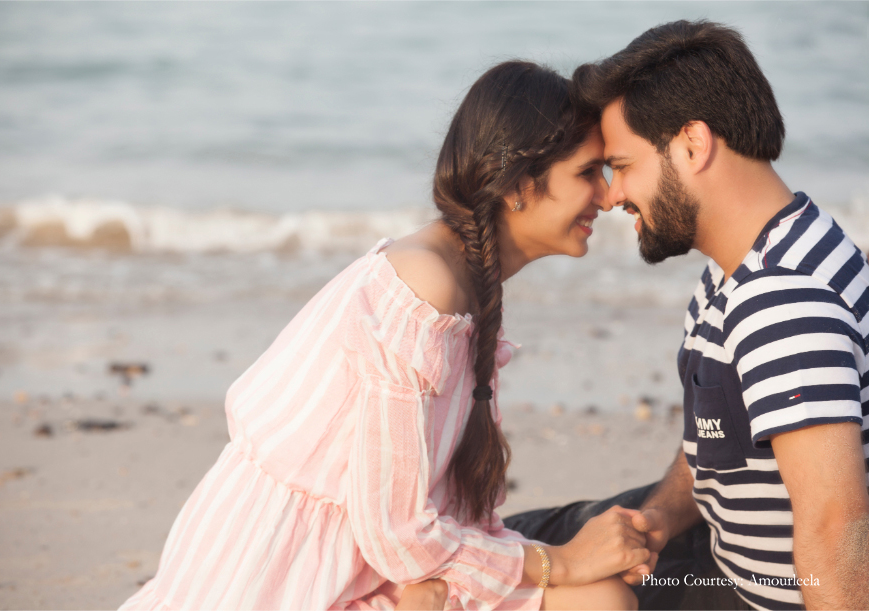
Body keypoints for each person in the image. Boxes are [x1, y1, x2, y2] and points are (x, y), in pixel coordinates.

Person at [118, 61, 653, 611]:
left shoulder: (461, 281)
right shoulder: (424, 288)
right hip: (281, 582)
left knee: (602, 596)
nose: (608, 197)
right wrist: (561, 561)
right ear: (519, 182)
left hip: (371, 569)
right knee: (598, 601)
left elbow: (423, 522)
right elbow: (396, 533)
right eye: (589, 172)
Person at [503, 20, 869, 611]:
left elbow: (838, 531)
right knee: (505, 546)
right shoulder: (751, 258)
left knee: (480, 586)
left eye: (622, 165)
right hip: (708, 560)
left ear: (693, 145)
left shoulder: (782, 300)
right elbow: (713, 444)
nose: (611, 194)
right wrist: (659, 514)